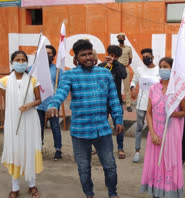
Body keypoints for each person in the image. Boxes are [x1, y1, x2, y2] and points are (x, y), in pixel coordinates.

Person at [46, 39, 123, 198]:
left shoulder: (104, 73)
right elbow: (61, 92)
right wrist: (53, 105)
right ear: (76, 59)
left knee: (110, 166)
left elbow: (113, 99)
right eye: (83, 55)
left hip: (102, 130)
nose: (88, 57)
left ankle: (112, 193)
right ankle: (89, 194)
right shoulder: (69, 75)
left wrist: (119, 119)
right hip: (80, 132)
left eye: (90, 54)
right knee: (83, 168)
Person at [140, 57, 185, 198]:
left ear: (172, 70)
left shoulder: (179, 90)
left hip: (171, 133)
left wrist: (174, 113)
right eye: (161, 66)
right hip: (155, 132)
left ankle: (169, 192)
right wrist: (152, 133)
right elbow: (148, 112)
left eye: (165, 66)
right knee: (155, 163)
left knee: (170, 164)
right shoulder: (154, 88)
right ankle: (157, 192)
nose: (162, 69)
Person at [0, 51, 43, 198]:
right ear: (12, 62)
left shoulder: (32, 80)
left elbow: (39, 99)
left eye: (23, 60)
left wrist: (30, 104)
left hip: (30, 120)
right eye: (17, 60)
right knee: (15, 151)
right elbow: (6, 101)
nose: (21, 62)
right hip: (13, 122)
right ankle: (15, 186)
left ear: (27, 63)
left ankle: (32, 185)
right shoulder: (4, 81)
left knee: (29, 150)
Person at [31, 45, 63, 161]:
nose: (47, 56)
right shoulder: (35, 68)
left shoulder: (58, 70)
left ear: (53, 56)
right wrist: (34, 59)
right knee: (38, 127)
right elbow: (27, 74)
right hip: (38, 102)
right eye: (44, 53)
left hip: (52, 103)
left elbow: (62, 86)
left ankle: (58, 149)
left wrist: (57, 100)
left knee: (55, 126)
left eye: (49, 53)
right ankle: (39, 149)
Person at [130, 48, 160, 163]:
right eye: (144, 57)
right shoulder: (139, 70)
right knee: (139, 128)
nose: (146, 58)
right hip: (141, 105)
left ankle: (153, 153)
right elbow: (133, 81)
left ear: (152, 56)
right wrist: (133, 88)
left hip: (155, 106)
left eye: (148, 56)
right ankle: (137, 151)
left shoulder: (159, 70)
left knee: (154, 130)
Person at [98, 45, 127, 159]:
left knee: (118, 124)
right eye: (110, 55)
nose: (111, 57)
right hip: (102, 102)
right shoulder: (101, 66)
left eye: (114, 56)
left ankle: (120, 148)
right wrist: (107, 65)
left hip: (116, 101)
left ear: (118, 57)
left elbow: (123, 75)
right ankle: (100, 147)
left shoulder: (119, 66)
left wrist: (115, 63)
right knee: (101, 124)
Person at [117, 33, 133, 112]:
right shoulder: (116, 48)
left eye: (122, 37)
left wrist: (125, 65)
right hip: (116, 69)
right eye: (119, 37)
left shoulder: (128, 48)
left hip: (125, 68)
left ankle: (128, 105)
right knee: (117, 87)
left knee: (127, 87)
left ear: (124, 38)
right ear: (117, 39)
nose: (120, 38)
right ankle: (117, 103)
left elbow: (130, 59)